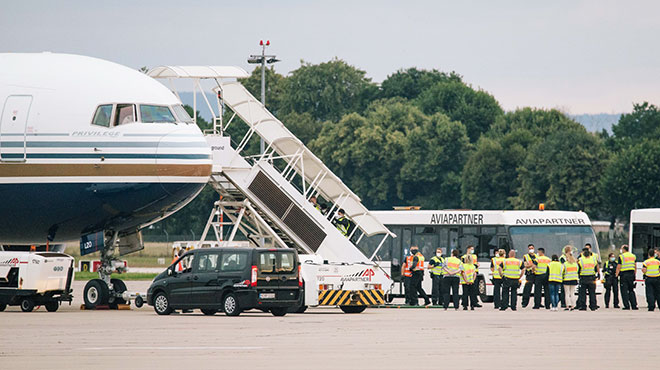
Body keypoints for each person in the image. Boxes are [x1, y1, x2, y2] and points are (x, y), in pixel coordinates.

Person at [616, 244, 638, 310]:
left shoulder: (621, 256)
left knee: (624, 291)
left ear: (624, 249)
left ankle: (626, 305)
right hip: (631, 274)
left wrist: (616, 275)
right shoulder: (633, 256)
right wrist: (634, 274)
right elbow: (635, 266)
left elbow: (619, 267)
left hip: (624, 275)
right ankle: (634, 305)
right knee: (631, 290)